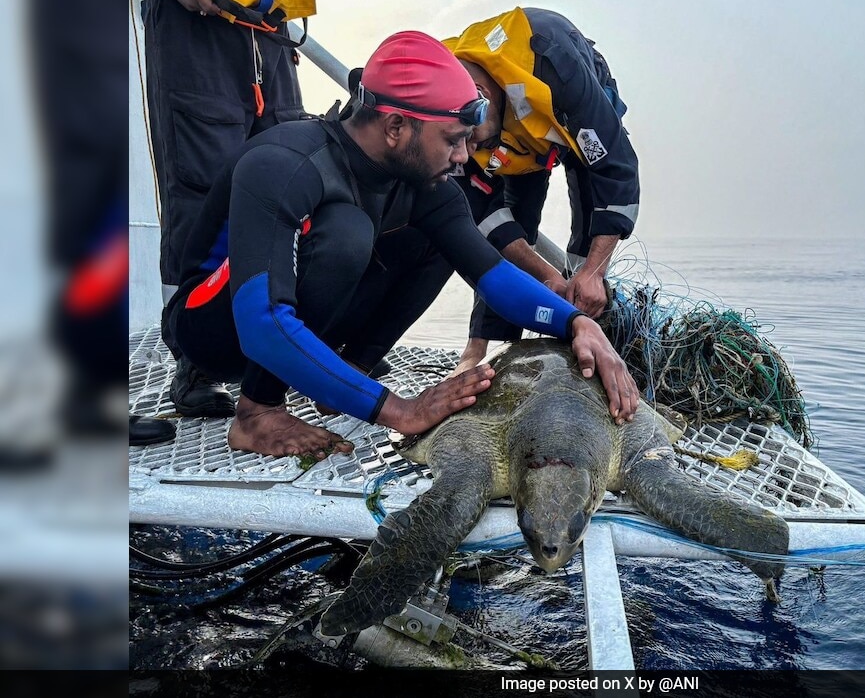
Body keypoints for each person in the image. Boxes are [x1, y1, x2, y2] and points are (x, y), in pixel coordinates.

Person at [163, 31, 639, 459]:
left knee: (437, 238)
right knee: (346, 232)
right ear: (395, 128)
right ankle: (257, 412)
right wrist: (399, 411)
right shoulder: (285, 161)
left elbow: (491, 274)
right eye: (453, 140)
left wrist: (574, 323)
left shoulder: (425, 183)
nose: (462, 158)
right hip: (214, 330)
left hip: (287, 323)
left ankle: (344, 375)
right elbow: (261, 323)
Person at [131, 0, 311, 420]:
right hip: (195, 21)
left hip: (270, 31)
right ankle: (193, 358)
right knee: (200, 194)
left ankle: (282, 343)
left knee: (290, 185)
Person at [442, 8, 640, 374]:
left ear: (482, 96)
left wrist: (593, 272)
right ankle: (482, 345)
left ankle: (584, 311)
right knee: (506, 227)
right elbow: (487, 215)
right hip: (511, 142)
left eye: (468, 139)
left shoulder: (561, 70)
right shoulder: (451, 107)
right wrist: (547, 276)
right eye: (457, 141)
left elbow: (617, 169)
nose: (464, 153)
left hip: (565, 114)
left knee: (589, 221)